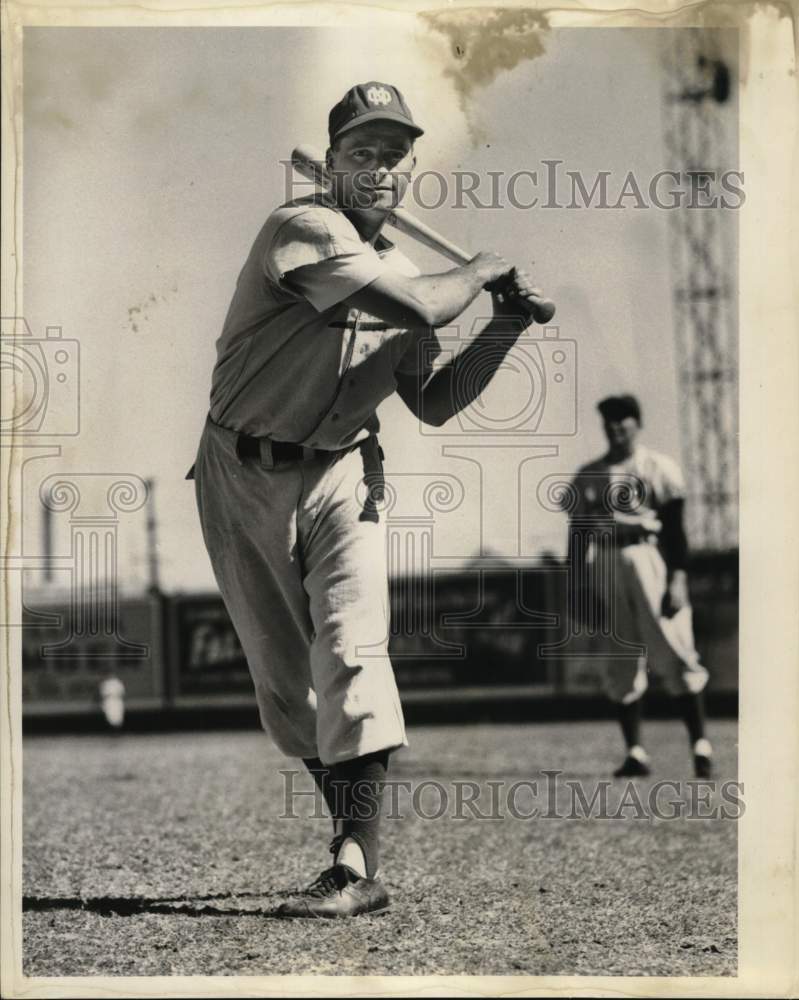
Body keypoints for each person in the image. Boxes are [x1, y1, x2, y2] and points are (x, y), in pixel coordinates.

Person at [189, 81, 546, 918]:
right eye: (361, 152)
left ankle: (356, 865)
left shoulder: (412, 271)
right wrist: (486, 269)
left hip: (343, 469)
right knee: (287, 690)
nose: (378, 166)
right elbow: (422, 303)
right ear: (333, 164)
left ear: (409, 166)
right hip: (240, 466)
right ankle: (347, 840)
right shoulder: (301, 228)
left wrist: (503, 325)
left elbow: (430, 399)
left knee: (353, 649)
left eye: (392, 153)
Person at [566, 394, 714, 779]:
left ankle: (700, 746)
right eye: (609, 422)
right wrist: (580, 588)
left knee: (675, 646)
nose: (616, 428)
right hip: (606, 560)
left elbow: (676, 531)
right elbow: (577, 538)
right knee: (620, 657)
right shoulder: (589, 474)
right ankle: (635, 752)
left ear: (637, 423)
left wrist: (679, 577)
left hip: (649, 558)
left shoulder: (657, 467)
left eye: (623, 421)